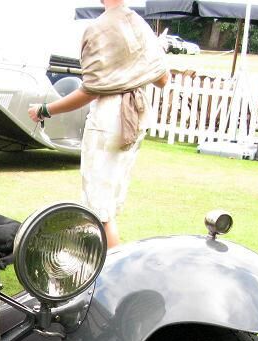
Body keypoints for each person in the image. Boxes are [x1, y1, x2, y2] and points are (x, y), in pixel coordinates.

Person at [28, 0, 168, 247]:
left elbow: (90, 90)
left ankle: (109, 279)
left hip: (110, 119)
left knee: (100, 212)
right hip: (137, 117)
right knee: (107, 207)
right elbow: (163, 79)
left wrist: (44, 110)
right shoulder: (140, 25)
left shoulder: (98, 29)